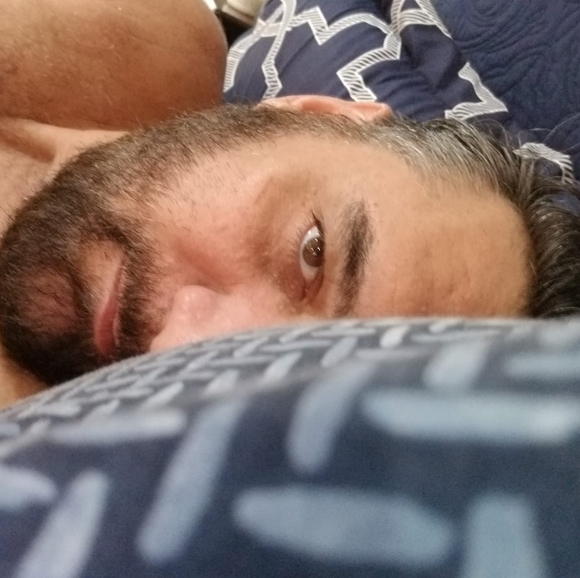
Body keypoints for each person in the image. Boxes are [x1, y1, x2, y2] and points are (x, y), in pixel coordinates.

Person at [0, 1, 579, 407]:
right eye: (312, 252)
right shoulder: (154, 40)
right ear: (318, 113)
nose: (174, 347)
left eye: (295, 378)